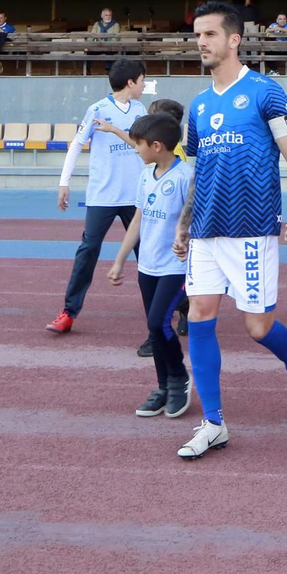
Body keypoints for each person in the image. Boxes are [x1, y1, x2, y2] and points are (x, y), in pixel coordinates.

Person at [174, 1, 287, 460]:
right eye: (197, 35)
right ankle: (213, 423)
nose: (201, 43)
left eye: (210, 34)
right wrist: (184, 224)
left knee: (257, 327)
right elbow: (199, 170)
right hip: (206, 232)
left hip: (252, 229)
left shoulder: (265, 91)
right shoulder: (196, 106)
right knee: (199, 316)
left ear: (234, 39)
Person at [47, 58, 149, 338]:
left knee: (149, 254)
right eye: (142, 80)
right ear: (131, 82)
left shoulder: (141, 110)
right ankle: (68, 312)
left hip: (136, 197)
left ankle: (176, 309)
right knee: (88, 251)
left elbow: (142, 146)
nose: (144, 85)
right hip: (102, 196)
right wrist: (63, 182)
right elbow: (77, 144)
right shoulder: (97, 109)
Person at [105, 113, 193, 420]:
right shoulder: (145, 175)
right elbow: (139, 220)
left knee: (159, 322)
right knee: (154, 329)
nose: (136, 150)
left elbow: (195, 220)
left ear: (156, 146)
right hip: (148, 266)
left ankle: (179, 377)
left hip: (175, 267)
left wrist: (186, 241)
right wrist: (119, 260)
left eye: (138, 144)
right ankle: (163, 386)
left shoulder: (185, 177)